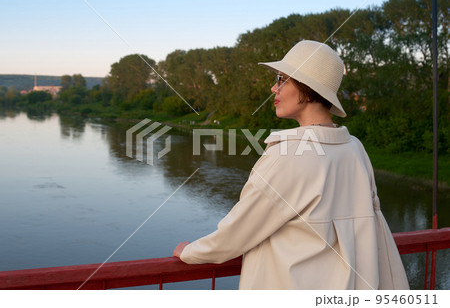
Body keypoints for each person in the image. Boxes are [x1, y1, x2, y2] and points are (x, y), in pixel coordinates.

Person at [173, 40, 409, 290]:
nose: (273, 87)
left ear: (307, 89)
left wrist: (189, 252)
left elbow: (238, 231)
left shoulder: (288, 155)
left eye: (282, 79)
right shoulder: (355, 148)